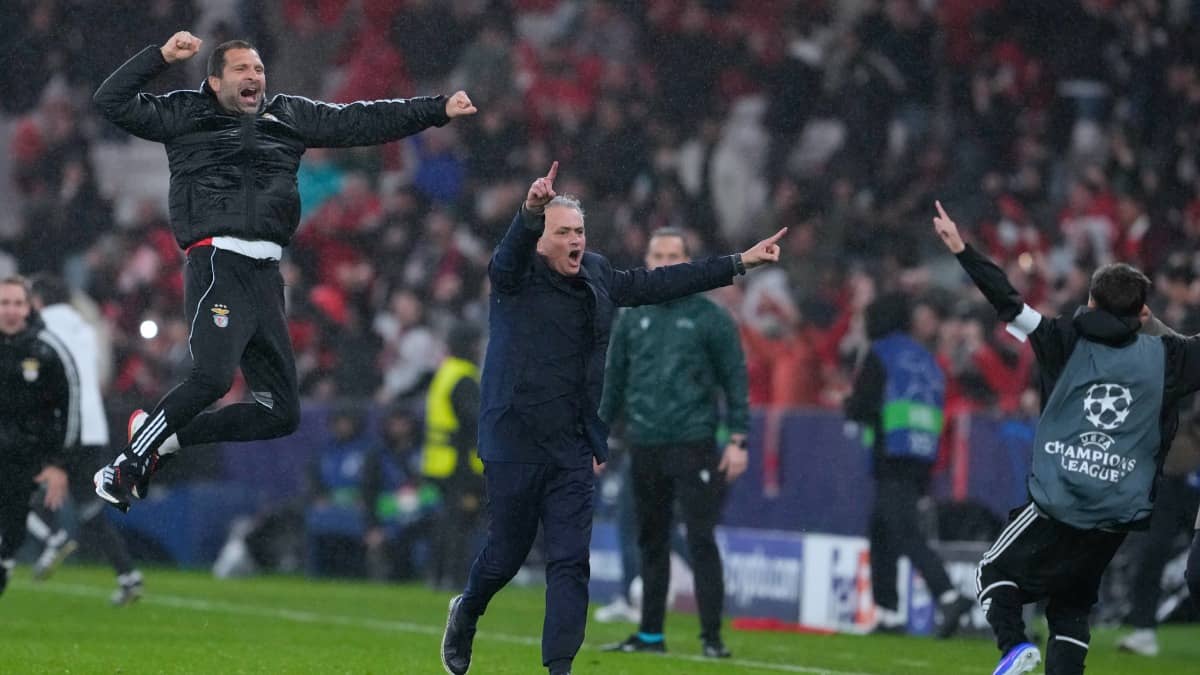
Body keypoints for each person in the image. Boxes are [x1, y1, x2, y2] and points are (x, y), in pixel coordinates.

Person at [90, 31, 477, 511]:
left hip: (267, 273)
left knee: (281, 414)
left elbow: (361, 121)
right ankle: (126, 465)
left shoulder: (287, 114)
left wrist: (436, 110)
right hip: (218, 261)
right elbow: (110, 101)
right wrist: (161, 57)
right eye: (241, 70)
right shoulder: (185, 113)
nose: (254, 77)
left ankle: (160, 438)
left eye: (258, 70)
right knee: (212, 378)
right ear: (213, 81)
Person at [440, 162, 786, 675]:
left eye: (580, 231)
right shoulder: (514, 276)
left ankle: (559, 669)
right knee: (505, 555)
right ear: (542, 240)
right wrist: (529, 213)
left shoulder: (598, 273)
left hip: (572, 444)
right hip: (514, 439)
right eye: (564, 232)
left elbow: (661, 282)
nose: (576, 240)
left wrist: (738, 262)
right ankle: (467, 610)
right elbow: (509, 253)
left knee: (570, 563)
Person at [932, 201, 1200, 675]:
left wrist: (962, 249)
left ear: (1091, 303)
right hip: (1118, 509)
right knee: (1072, 606)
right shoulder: (1170, 357)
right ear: (1142, 312)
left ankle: (1014, 646)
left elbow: (1007, 301)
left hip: (1060, 498)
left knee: (992, 573)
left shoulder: (1061, 337)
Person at [598, 227, 750, 658]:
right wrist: (598, 436)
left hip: (694, 442)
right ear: (646, 261)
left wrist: (738, 439)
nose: (664, 262)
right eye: (658, 254)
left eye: (673, 254)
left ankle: (712, 639)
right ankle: (649, 635)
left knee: (700, 538)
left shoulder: (712, 317)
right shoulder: (631, 316)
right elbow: (615, 382)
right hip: (644, 443)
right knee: (651, 539)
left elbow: (735, 382)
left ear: (687, 261)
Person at [843, 292, 974, 637]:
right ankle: (887, 614)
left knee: (903, 530)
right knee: (882, 528)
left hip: (892, 452)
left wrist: (849, 404)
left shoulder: (880, 353)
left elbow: (863, 405)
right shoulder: (925, 357)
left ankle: (947, 595)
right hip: (922, 453)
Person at [23, 274, 144, 604]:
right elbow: (101, 375)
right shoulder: (87, 329)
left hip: (61, 425)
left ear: (38, 300)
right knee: (91, 509)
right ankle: (128, 575)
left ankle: (53, 537)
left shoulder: (38, 327)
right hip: (92, 427)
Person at [0, 276, 78, 596]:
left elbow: (69, 407)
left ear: (29, 306)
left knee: (12, 532)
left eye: (18, 303)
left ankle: (7, 560)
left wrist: (59, 463)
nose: (11, 310)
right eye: (4, 303)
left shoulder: (47, 349)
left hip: (25, 455)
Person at [1115, 400, 1200, 657]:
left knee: (1196, 570)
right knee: (1149, 553)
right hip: (1170, 479)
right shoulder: (1169, 371)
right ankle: (1143, 630)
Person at [421, 321, 485, 590]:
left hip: (437, 460)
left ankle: (436, 575)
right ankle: (455, 578)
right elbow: (474, 420)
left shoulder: (444, 373)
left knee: (446, 522)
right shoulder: (463, 378)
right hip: (458, 462)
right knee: (459, 524)